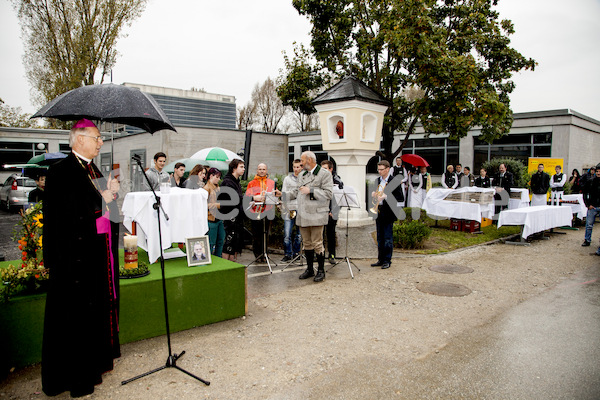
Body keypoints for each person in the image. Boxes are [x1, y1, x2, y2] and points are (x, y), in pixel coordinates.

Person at [41, 119, 120, 397]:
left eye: (100, 139)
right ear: (79, 139)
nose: (100, 142)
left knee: (91, 318)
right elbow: (67, 217)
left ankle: (93, 368)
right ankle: (74, 378)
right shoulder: (61, 172)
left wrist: (111, 197)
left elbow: (108, 209)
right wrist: (104, 198)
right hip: (73, 260)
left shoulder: (93, 169)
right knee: (72, 322)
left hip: (95, 255)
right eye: (96, 138)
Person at [290, 151, 333, 282]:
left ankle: (321, 270)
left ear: (309, 159)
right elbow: (296, 191)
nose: (301, 164)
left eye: (302, 161)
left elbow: (329, 194)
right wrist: (282, 194)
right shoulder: (302, 174)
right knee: (307, 243)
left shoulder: (324, 174)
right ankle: (309, 269)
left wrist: (312, 190)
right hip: (303, 214)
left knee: (317, 243)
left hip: (317, 214)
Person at [370, 160, 404, 269]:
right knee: (379, 237)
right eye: (378, 169)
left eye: (381, 169)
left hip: (389, 211)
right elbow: (374, 195)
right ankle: (380, 259)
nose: (379, 171)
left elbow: (400, 197)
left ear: (388, 169)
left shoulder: (394, 181)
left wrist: (386, 197)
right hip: (379, 211)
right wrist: (373, 194)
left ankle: (387, 260)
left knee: (388, 237)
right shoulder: (377, 181)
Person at [245, 163, 281, 261]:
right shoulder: (251, 183)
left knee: (266, 233)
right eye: (260, 169)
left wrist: (276, 196)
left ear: (266, 170)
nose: (261, 171)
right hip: (255, 211)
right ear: (257, 170)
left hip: (268, 211)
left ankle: (265, 253)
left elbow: (275, 195)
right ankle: (258, 255)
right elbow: (248, 197)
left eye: (264, 169)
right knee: (256, 234)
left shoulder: (271, 182)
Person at [220, 159, 245, 261]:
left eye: (244, 167)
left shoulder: (236, 182)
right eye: (241, 167)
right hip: (229, 217)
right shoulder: (227, 182)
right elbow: (235, 198)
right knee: (229, 243)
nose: (244, 169)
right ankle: (226, 266)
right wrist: (252, 198)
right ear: (234, 168)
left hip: (237, 216)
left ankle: (232, 264)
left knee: (235, 242)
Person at [321, 159, 344, 264]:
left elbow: (340, 199)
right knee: (319, 234)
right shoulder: (320, 180)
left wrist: (334, 211)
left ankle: (332, 255)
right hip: (321, 211)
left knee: (330, 234)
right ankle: (320, 255)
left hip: (332, 211)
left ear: (331, 169)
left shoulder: (337, 181)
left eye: (325, 169)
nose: (323, 171)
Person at [281, 159, 302, 262]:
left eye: (298, 167)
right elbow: (284, 194)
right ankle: (287, 254)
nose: (296, 169)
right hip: (290, 208)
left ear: (302, 167)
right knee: (287, 234)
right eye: (294, 167)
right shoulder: (287, 179)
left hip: (301, 209)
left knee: (299, 235)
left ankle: (296, 253)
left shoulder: (305, 179)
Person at [204, 167, 225, 257]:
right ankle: (210, 259)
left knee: (220, 241)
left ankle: (218, 258)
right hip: (210, 218)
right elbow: (205, 205)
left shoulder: (218, 188)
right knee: (211, 243)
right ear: (211, 176)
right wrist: (219, 204)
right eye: (217, 177)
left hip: (219, 218)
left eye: (219, 177)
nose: (218, 179)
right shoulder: (206, 188)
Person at [582, 166, 600, 247]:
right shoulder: (591, 181)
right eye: (597, 171)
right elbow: (585, 193)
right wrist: (588, 204)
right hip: (592, 206)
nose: (598, 173)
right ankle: (587, 240)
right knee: (589, 225)